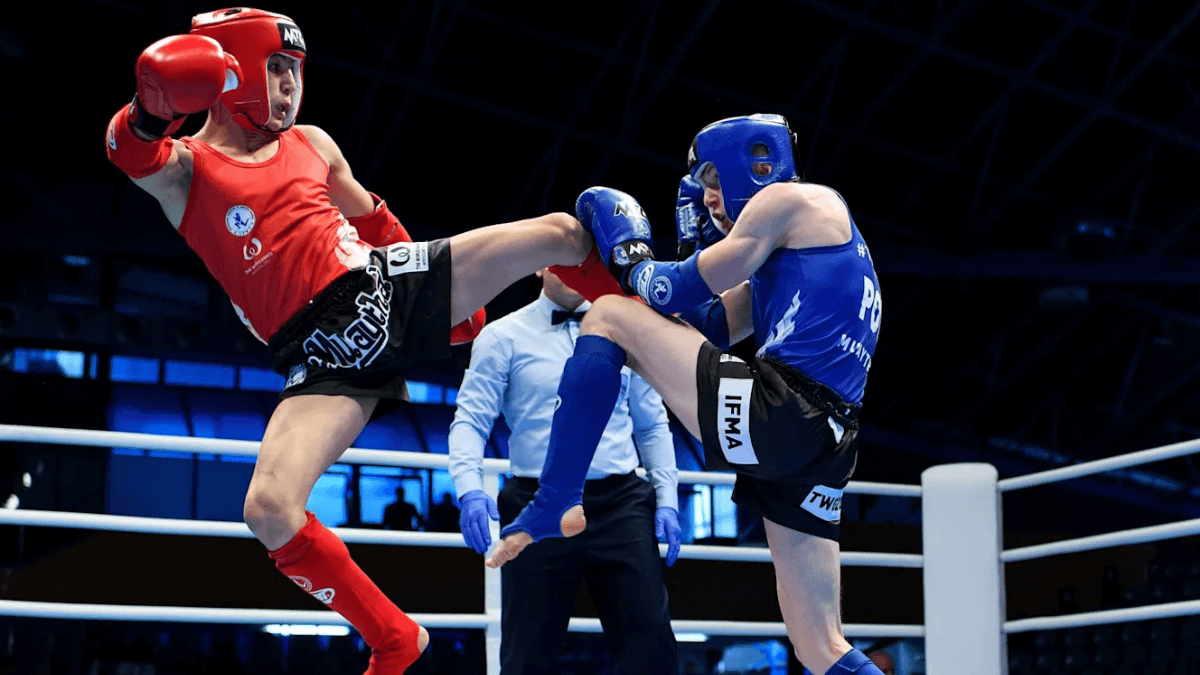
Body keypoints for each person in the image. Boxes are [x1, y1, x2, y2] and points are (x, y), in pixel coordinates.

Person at [104, 8, 619, 672]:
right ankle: (392, 635)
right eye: (277, 69)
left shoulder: (313, 144)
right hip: (321, 356)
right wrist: (154, 106)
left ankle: (667, 310)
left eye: (296, 72)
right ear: (228, 72)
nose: (290, 87)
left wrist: (445, 302)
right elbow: (128, 152)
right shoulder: (186, 170)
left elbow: (369, 219)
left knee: (561, 231)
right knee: (268, 506)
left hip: (385, 287)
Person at [486, 114, 887, 675]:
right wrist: (682, 259)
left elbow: (672, 287)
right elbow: (707, 329)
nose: (713, 201)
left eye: (715, 182)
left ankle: (556, 498)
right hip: (828, 440)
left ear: (752, 165)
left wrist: (629, 258)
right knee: (819, 643)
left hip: (783, 412)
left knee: (606, 316)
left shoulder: (789, 201)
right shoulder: (799, 250)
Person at [448, 267, 682, 674]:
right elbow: (470, 419)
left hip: (620, 504)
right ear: (539, 262)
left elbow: (651, 423)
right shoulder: (503, 336)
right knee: (526, 653)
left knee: (651, 644)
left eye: (585, 258)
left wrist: (668, 500)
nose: (576, 269)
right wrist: (468, 488)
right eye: (563, 257)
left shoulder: (629, 328)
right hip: (536, 501)